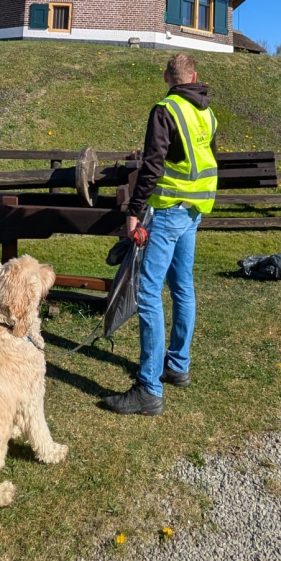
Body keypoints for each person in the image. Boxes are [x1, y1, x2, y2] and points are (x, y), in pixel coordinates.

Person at [103, 52, 217, 416]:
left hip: (168, 212)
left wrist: (134, 214)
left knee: (148, 293)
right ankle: (178, 365)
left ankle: (149, 388)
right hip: (195, 209)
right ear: (194, 76)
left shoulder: (165, 109)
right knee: (183, 287)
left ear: (166, 77)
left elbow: (152, 166)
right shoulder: (206, 112)